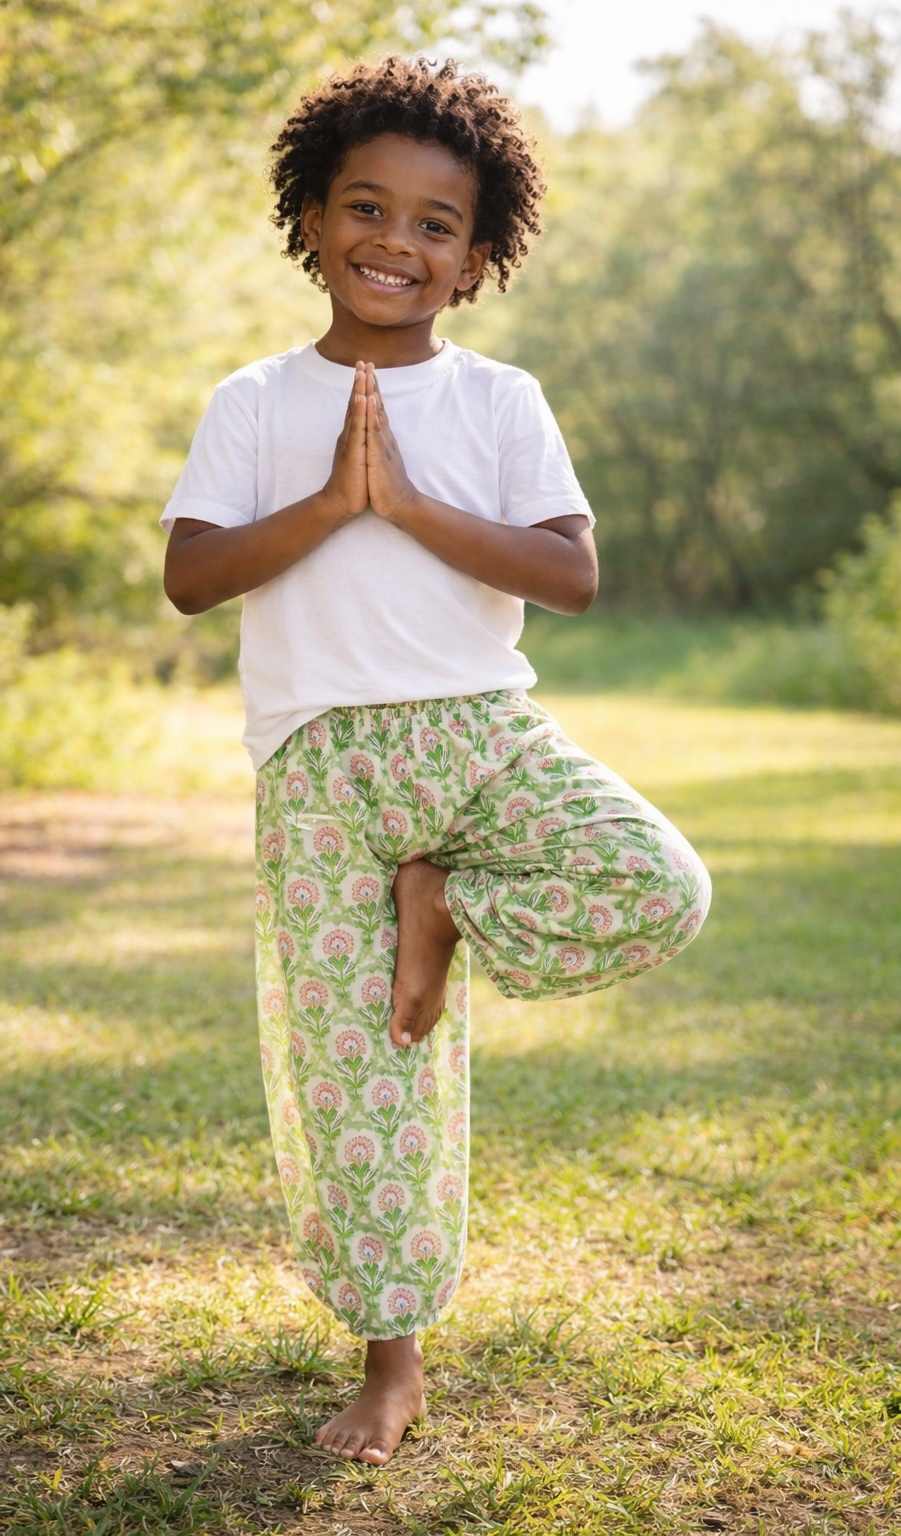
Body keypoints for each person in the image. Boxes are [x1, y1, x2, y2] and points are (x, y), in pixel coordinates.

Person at [161, 55, 711, 1467]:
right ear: (310, 217)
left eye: (433, 226)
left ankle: (447, 904)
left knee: (658, 881)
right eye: (366, 208)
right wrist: (330, 498)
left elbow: (570, 577)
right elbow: (192, 575)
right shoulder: (255, 400)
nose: (394, 243)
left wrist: (401, 502)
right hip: (322, 770)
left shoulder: (503, 402)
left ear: (475, 260)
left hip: (477, 731)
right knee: (366, 1072)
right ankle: (390, 1362)